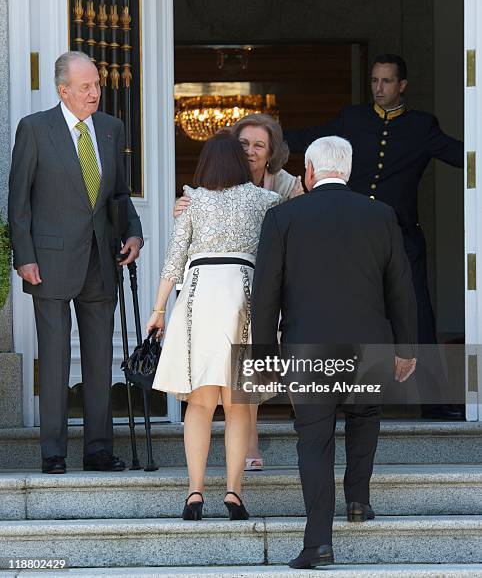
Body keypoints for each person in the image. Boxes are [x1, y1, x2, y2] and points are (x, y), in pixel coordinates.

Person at [251, 136, 418, 568]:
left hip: (308, 348)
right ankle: (358, 501)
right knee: (365, 418)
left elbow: (265, 295)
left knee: (315, 441)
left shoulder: (283, 217)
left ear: (308, 172)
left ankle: (318, 544)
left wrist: (265, 356)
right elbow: (401, 287)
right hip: (369, 343)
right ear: (347, 170)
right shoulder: (380, 215)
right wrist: (406, 347)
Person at [284, 54, 463, 421]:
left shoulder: (421, 126)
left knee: (417, 313)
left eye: (386, 81)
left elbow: (463, 154)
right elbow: (312, 139)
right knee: (334, 309)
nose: (378, 88)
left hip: (401, 234)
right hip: (351, 236)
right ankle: (321, 397)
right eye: (374, 80)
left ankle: (433, 399)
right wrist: (272, 138)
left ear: (402, 86)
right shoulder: (354, 118)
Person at [8, 51, 143, 474]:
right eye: (85, 87)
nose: (95, 93)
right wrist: (24, 255)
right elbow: (19, 202)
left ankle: (99, 449)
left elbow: (120, 195)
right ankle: (53, 452)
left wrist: (134, 232)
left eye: (98, 85)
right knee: (53, 360)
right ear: (62, 90)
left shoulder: (110, 128)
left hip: (101, 258)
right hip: (47, 261)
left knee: (100, 358)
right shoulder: (34, 129)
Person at [146, 131, 281, 520]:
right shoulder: (265, 201)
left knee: (200, 403)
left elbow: (173, 261)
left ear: (206, 163)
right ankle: (234, 492)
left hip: (199, 298)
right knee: (238, 404)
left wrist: (157, 310)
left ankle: (194, 492)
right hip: (242, 297)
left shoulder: (193, 200)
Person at [175, 113, 304, 470]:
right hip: (234, 287)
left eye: (258, 145)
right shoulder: (217, 183)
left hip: (277, 281)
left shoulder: (288, 186)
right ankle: (250, 445)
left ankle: (308, 439)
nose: (250, 151)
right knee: (238, 368)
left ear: (271, 152)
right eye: (243, 143)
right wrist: (181, 209)